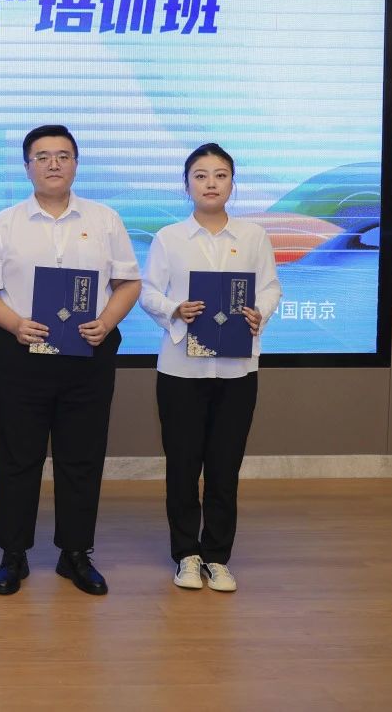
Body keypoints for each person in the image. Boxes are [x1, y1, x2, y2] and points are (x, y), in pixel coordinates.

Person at [0, 124, 141, 596]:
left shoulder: (105, 219)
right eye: (42, 156)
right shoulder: (3, 224)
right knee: (16, 458)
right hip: (21, 353)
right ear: (27, 166)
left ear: (76, 164)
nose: (53, 164)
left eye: (63, 156)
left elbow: (129, 282)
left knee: (81, 457)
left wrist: (107, 320)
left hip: (88, 354)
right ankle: (14, 554)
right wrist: (14, 324)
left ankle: (76, 553)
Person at [139, 143, 281, 593]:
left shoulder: (254, 236)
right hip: (181, 370)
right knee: (182, 467)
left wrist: (260, 312)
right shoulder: (169, 238)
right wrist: (174, 309)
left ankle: (217, 556)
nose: (211, 183)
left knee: (224, 467)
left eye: (220, 175)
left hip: (237, 370)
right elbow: (147, 291)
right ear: (187, 185)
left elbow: (271, 287)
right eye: (200, 175)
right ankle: (186, 554)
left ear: (233, 183)